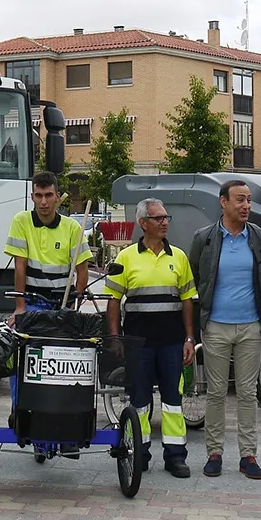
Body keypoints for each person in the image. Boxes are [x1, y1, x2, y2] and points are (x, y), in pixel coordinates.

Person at [187, 180, 261, 480]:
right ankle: (214, 453)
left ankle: (248, 455)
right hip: (215, 326)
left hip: (251, 326)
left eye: (249, 200)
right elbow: (197, 273)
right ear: (223, 202)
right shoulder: (204, 238)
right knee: (216, 392)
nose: (246, 205)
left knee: (248, 393)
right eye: (240, 200)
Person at [106, 198, 197, 478]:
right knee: (140, 401)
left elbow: (187, 300)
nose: (165, 222)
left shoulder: (179, 257)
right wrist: (115, 337)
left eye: (166, 217)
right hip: (138, 344)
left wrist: (189, 338)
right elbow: (113, 301)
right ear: (143, 223)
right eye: (159, 218)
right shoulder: (125, 258)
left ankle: (176, 457)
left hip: (171, 342)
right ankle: (139, 454)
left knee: (173, 401)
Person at [4, 171, 92, 404]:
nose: (43, 201)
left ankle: (59, 408)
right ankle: (19, 409)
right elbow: (20, 266)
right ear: (32, 197)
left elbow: (82, 270)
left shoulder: (72, 227)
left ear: (57, 197)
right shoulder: (21, 221)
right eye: (38, 195)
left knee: (62, 360)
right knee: (22, 357)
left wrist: (73, 306)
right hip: (32, 301)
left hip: (61, 303)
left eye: (48, 195)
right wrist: (20, 306)